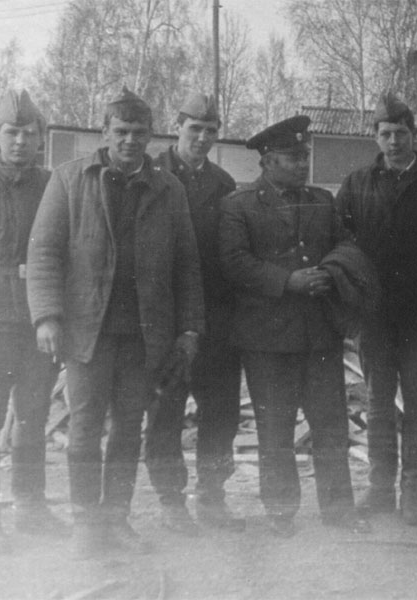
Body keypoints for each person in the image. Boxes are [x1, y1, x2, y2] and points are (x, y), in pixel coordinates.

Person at [27, 86, 204, 558]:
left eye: (139, 133)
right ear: (104, 132)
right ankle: (87, 524)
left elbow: (187, 265)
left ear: (151, 136)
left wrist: (189, 329)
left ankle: (116, 518)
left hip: (145, 334)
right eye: (121, 131)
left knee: (128, 427)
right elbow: (44, 254)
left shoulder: (169, 188)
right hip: (88, 330)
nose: (130, 140)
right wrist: (47, 317)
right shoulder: (70, 179)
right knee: (85, 427)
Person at [219, 115, 371, 538]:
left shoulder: (322, 201)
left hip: (319, 334)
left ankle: (338, 509)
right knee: (275, 428)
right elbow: (234, 262)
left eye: (305, 156)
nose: (303, 164)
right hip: (266, 338)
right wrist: (288, 281)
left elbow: (345, 243)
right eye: (293, 158)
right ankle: (280, 510)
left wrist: (331, 270)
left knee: (331, 426)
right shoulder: (239, 205)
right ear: (268, 161)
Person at [336, 93, 417, 526]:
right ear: (375, 136)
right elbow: (340, 247)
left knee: (415, 401)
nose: (394, 142)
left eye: (402, 133)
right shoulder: (357, 184)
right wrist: (353, 303)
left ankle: (412, 491)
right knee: (377, 402)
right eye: (386, 134)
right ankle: (379, 489)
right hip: (373, 316)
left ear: (415, 134)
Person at [144, 93, 242, 535]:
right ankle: (170, 500)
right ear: (177, 126)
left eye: (211, 130)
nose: (202, 137)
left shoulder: (223, 184)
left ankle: (212, 496)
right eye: (194, 128)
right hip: (166, 317)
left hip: (216, 316)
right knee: (166, 410)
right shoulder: (151, 174)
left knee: (221, 410)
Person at [0, 90, 67, 553]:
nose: (20, 141)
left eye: (29, 133)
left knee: (33, 417)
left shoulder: (53, 185)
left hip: (41, 318)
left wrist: (52, 312)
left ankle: (31, 507)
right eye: (11, 132)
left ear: (41, 137)